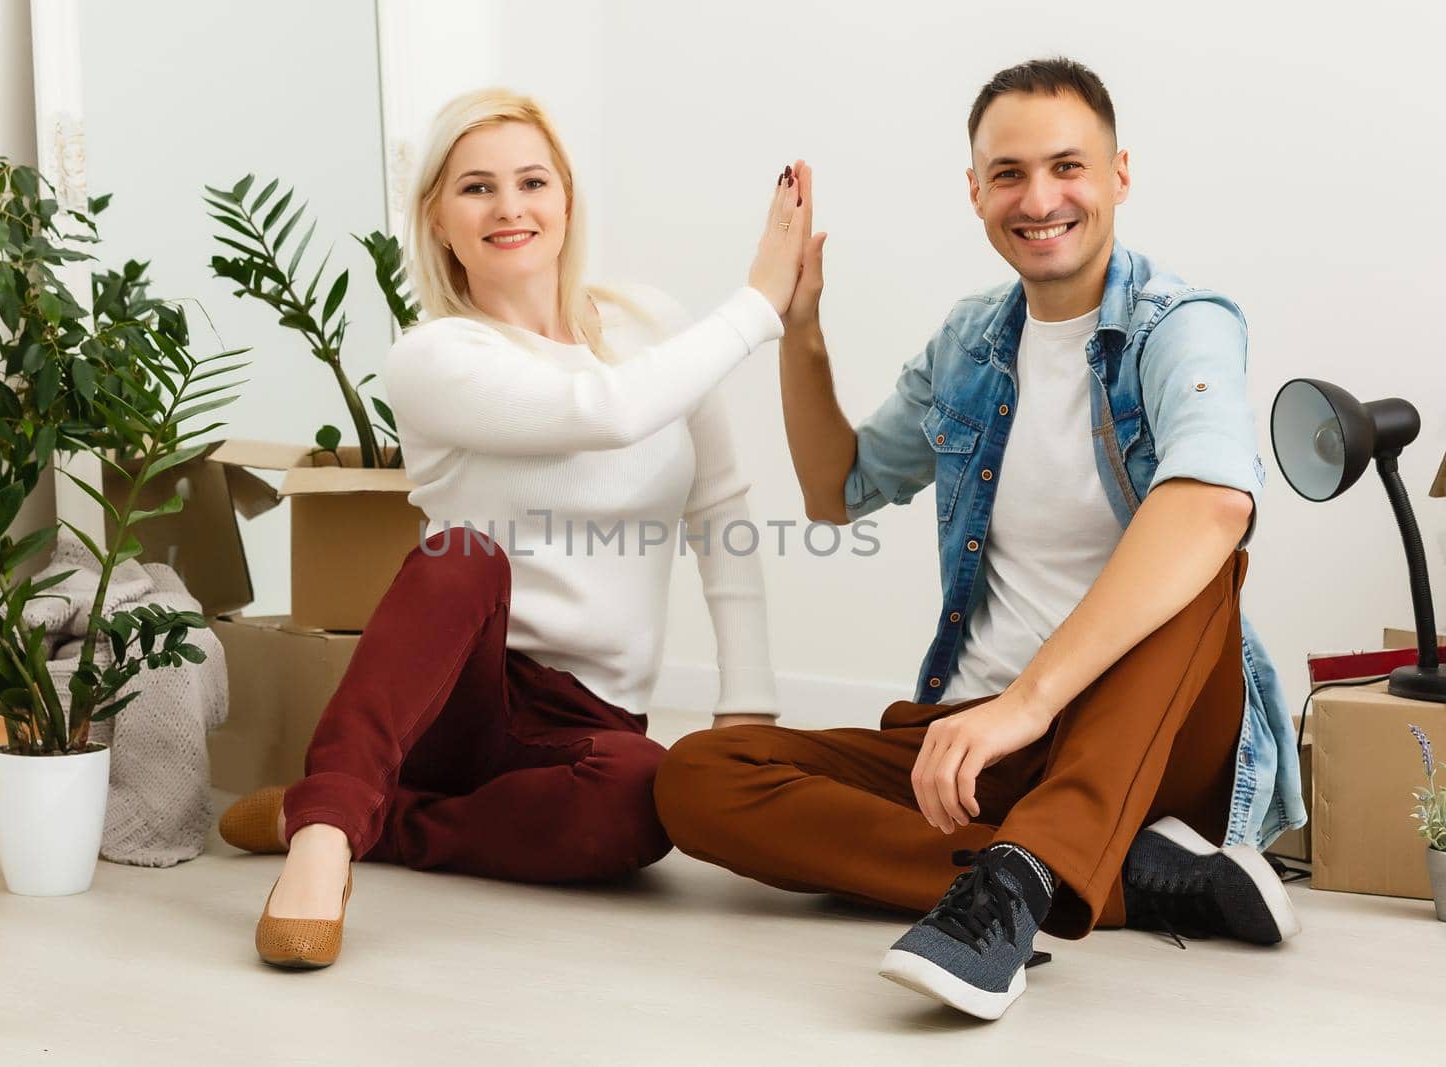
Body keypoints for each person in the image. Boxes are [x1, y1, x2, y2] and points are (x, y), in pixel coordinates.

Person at [653, 58, 1306, 1020]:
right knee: (697, 777)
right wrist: (801, 326)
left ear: (1119, 174)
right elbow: (836, 491)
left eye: (1067, 167)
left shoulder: (1182, 323)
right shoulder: (971, 344)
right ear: (975, 193)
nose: (1039, 198)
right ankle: (1114, 874)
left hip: (1147, 739)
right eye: (1008, 174)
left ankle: (1011, 889)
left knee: (1203, 544)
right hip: (987, 738)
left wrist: (1030, 704)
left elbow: (1213, 503)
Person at [217, 88, 809, 970]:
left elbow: (719, 508)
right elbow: (605, 411)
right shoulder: (435, 357)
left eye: (532, 181)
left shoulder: (653, 326)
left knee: (645, 800)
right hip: (459, 692)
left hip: (589, 716)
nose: (509, 208)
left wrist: (746, 705)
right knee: (461, 557)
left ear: (566, 200)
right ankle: (326, 833)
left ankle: (380, 819)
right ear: (438, 220)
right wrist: (760, 305)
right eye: (476, 188)